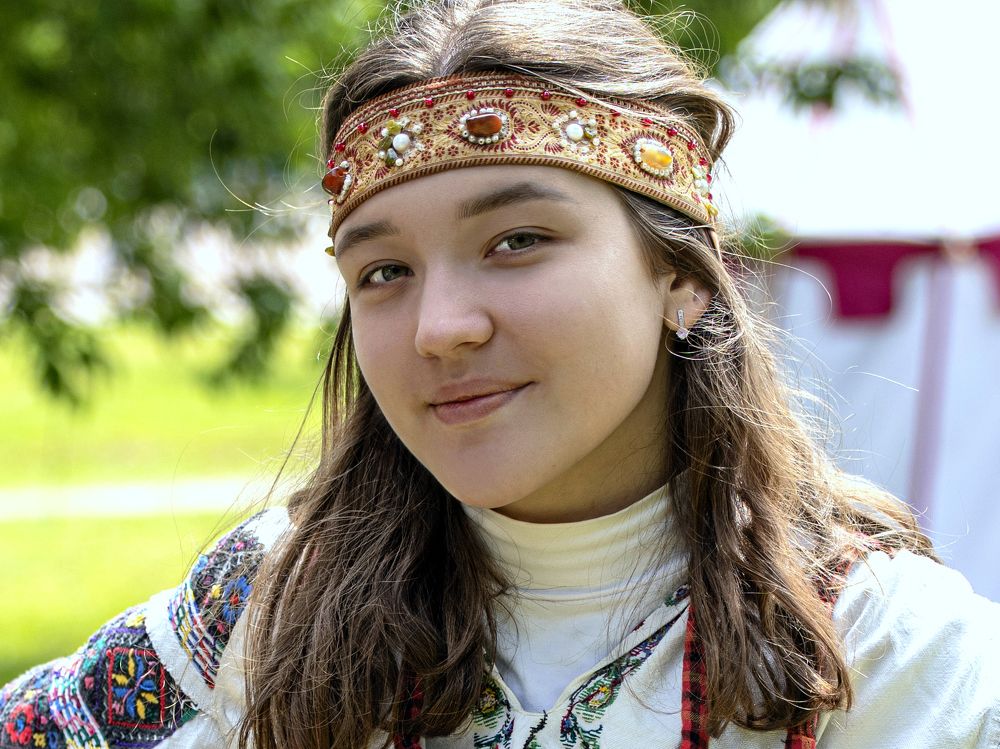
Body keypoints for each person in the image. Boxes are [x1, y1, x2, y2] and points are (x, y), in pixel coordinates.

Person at [3, 0, 999, 747]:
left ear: (684, 278)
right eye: (383, 271)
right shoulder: (266, 608)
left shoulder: (891, 652)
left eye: (517, 240)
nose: (440, 327)